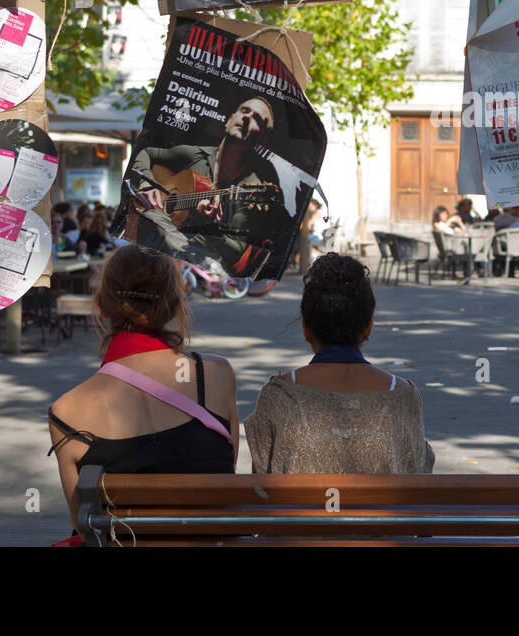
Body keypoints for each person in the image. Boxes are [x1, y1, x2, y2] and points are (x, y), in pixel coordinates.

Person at [47, 246, 238, 538]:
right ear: (174, 305)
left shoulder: (67, 413)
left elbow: (83, 526)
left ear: (101, 305)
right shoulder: (215, 376)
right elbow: (223, 474)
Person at [244, 254, 433, 473]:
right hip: (382, 508)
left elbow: (261, 484)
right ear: (368, 328)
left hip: (300, 509)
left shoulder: (278, 396)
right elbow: (418, 473)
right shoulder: (403, 396)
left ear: (305, 329)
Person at [127, 96, 286, 279]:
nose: (247, 118)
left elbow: (235, 252)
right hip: (146, 248)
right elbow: (146, 153)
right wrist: (146, 183)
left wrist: (214, 227)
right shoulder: (197, 155)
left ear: (263, 139)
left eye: (256, 118)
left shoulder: (252, 189)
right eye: (244, 111)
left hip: (182, 263)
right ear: (229, 120)